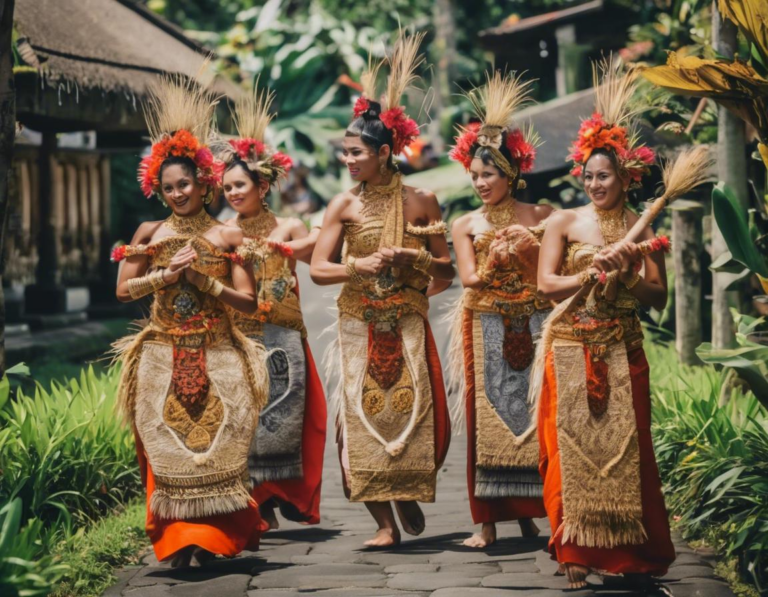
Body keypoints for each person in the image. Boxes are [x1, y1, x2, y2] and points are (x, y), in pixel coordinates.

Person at [113, 75, 268, 568]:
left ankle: (212, 538)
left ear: (204, 182)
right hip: (161, 353)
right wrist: (164, 275)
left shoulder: (227, 235)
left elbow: (249, 303)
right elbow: (121, 291)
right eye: (168, 187)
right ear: (158, 191)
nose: (178, 193)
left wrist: (207, 285)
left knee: (223, 444)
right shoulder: (150, 232)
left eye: (184, 184)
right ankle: (178, 541)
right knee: (169, 447)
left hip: (219, 349)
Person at [535, 58, 675, 590]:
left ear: (626, 177)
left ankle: (629, 555)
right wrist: (588, 276)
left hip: (622, 347)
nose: (595, 184)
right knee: (566, 450)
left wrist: (625, 279)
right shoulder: (563, 222)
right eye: (588, 176)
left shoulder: (643, 228)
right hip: (569, 344)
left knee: (627, 452)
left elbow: (657, 297)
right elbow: (546, 285)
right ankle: (572, 551)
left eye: (605, 176)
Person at [310, 32, 454, 548]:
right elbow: (319, 270)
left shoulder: (422, 200)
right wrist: (360, 265)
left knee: (413, 414)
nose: (347, 161)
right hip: (357, 324)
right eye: (344, 153)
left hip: (406, 321)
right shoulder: (342, 206)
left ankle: (408, 488)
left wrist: (412, 262)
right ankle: (383, 523)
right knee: (357, 419)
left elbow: (446, 271)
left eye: (356, 153)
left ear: (385, 152)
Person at [447, 72, 553, 549]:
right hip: (484, 322)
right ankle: (487, 522)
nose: (480, 182)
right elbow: (468, 278)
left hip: (533, 322)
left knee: (533, 412)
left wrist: (528, 251)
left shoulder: (543, 217)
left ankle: (531, 514)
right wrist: (495, 258)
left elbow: (548, 277)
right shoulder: (465, 223)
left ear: (511, 174)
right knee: (486, 415)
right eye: (474, 175)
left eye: (488, 174)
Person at [217, 85, 326, 529]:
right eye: (225, 187)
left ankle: (285, 494)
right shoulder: (223, 231)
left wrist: (284, 244)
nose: (232, 193)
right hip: (241, 331)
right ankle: (257, 500)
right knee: (246, 415)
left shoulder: (290, 224)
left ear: (262, 185)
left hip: (284, 331)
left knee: (287, 411)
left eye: (239, 185)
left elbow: (320, 243)